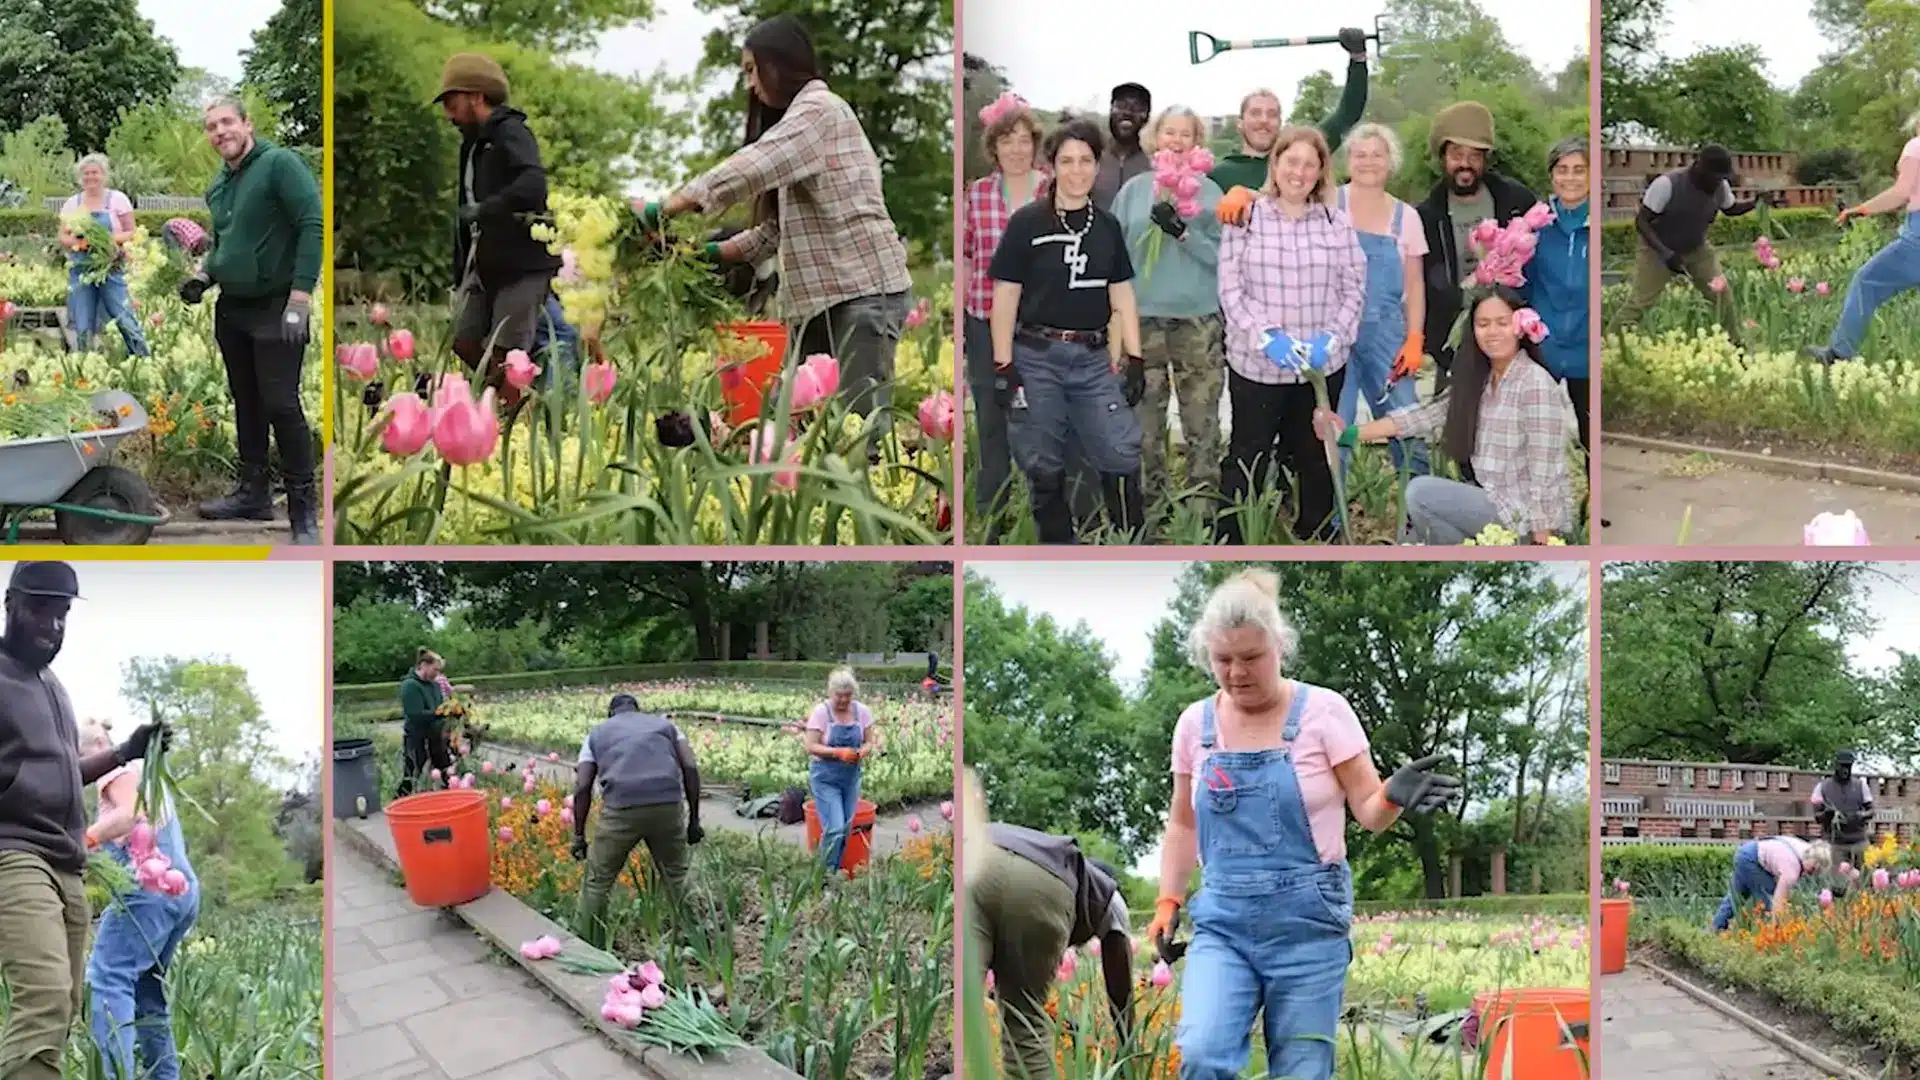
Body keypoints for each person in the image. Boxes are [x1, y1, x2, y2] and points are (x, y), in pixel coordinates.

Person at [1144, 569, 1460, 1080]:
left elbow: (1369, 812)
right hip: (1223, 924)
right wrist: (1167, 900)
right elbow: (1183, 823)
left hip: (1308, 927)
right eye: (1222, 660)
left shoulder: (1325, 712)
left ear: (1279, 647)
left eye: (1250, 658)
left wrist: (1393, 796)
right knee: (1202, 1053)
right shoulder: (1193, 726)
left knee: (1303, 1070)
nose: (1236, 673)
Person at [644, 15, 913, 429]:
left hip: (862, 292)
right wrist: (703, 254)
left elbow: (755, 163)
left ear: (779, 64)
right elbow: (775, 233)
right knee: (801, 425)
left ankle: (867, 490)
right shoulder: (799, 125)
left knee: (859, 431)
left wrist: (669, 206)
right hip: (820, 301)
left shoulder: (819, 111)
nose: (749, 84)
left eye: (752, 70)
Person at [0, 561, 170, 1080]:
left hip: (66, 860)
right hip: (14, 853)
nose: (53, 627)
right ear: (11, 606)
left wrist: (127, 751)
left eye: (62, 616)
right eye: (40, 611)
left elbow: (63, 771)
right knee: (46, 997)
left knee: (66, 1003)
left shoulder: (52, 685)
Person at [990, 118, 1147, 543]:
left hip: (1092, 359)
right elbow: (1004, 298)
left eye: (1086, 161)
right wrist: (1003, 366)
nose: (1077, 170)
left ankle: (1129, 542)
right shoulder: (1027, 223)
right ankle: (1058, 546)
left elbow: (1122, 296)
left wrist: (1135, 357)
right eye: (1067, 161)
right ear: (1053, 166)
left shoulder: (1108, 227)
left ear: (1098, 166)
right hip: (1036, 356)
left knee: (1120, 449)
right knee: (1042, 460)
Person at [179, 99, 323, 545]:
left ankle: (303, 514)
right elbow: (225, 244)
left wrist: (300, 297)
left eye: (227, 122)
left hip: (277, 307)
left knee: (281, 403)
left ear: (247, 124)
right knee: (247, 401)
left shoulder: (280, 164)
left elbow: (312, 225)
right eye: (211, 127)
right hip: (234, 310)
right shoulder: (219, 186)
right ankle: (252, 494)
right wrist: (204, 277)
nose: (220, 131)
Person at [1325, 287, 1574, 545]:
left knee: (1420, 492)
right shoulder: (1479, 381)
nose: (1492, 332)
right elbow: (1419, 418)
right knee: (1411, 533)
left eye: (1502, 323)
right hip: (1494, 505)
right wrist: (1350, 433)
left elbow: (1545, 468)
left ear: (1520, 327)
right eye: (1483, 324)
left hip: (1524, 519)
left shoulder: (1535, 383)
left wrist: (1542, 541)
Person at [1215, 126, 1366, 544]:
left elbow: (1354, 288)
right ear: (1275, 164)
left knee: (1316, 454)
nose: (1298, 172)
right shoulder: (1246, 218)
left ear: (1321, 172)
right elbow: (1230, 289)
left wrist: (1331, 339)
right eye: (1291, 161)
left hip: (1319, 368)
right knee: (1249, 453)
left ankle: (1315, 534)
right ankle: (1231, 537)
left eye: (1309, 164)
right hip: (1259, 365)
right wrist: (1267, 337)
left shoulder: (1337, 222)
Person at [1111, 107, 1226, 509]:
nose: (1176, 141)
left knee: (1202, 422)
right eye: (1169, 133)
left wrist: (1182, 233)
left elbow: (1226, 259)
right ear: (1155, 138)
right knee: (1144, 423)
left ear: (1197, 143)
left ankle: (1202, 510)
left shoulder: (1210, 192)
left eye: (1186, 134)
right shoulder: (1135, 192)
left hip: (1197, 320)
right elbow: (1115, 258)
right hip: (1142, 322)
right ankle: (1151, 509)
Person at [433, 53, 562, 409]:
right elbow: (466, 207)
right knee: (463, 341)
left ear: (476, 96)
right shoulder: (471, 144)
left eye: (452, 102)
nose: (449, 114)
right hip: (482, 262)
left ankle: (512, 418)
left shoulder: (511, 132)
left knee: (507, 353)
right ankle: (521, 403)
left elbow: (534, 183)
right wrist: (459, 272)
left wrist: (488, 209)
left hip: (522, 262)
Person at [79, 719, 199, 1080]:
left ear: (98, 742)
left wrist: (84, 839)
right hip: (181, 892)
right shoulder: (148, 775)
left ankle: (111, 1075)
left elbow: (132, 814)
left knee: (106, 978)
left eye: (76, 752)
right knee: (147, 992)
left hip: (147, 893)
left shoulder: (115, 769)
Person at [970, 823, 1133, 1079]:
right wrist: (1126, 1049)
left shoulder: (1050, 853)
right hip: (1040, 884)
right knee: (1024, 1024)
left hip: (977, 853)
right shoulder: (1110, 896)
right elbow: (1121, 988)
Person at [965, 93, 1048, 540]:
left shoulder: (1053, 191)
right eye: (1006, 140)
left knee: (1043, 424)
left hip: (1041, 326)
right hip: (983, 319)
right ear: (993, 147)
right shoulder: (975, 196)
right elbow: (965, 256)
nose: (1016, 149)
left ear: (1034, 145)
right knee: (991, 422)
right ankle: (991, 521)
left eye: (1023, 140)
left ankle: (1046, 520)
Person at [1414, 102, 1538, 394]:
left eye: (1474, 156)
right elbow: (1422, 284)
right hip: (1454, 344)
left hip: (1512, 339)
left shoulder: (1515, 200)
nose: (1465, 164)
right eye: (1457, 155)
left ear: (1486, 160)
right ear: (1443, 157)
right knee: (1456, 423)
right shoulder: (1426, 216)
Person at [1330, 123, 1429, 478]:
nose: (1368, 162)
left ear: (1391, 162)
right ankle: (1332, 521)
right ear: (1348, 161)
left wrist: (1414, 338)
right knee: (1331, 428)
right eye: (1360, 154)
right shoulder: (1328, 202)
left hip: (1386, 335)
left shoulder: (1407, 217)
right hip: (1332, 334)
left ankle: (1417, 512)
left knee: (1406, 422)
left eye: (1377, 154)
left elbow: (1415, 285)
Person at [573, 694, 704, 947]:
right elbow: (690, 767)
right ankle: (694, 938)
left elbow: (582, 787)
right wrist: (694, 820)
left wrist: (579, 836)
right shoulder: (666, 727)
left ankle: (587, 943)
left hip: (621, 808)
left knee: (598, 882)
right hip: (667, 805)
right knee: (676, 874)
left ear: (611, 713)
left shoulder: (596, 734)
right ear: (637, 709)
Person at [1605, 144, 1757, 347]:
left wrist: (1755, 202)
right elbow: (1642, 222)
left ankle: (1736, 346)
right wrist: (1666, 254)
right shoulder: (1667, 184)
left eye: (1722, 177)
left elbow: (1730, 208)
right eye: (1715, 176)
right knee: (1640, 303)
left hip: (1697, 249)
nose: (1718, 181)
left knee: (1722, 297)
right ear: (1699, 168)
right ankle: (1604, 346)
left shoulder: (1720, 186)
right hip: (1657, 250)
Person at [1805, 114, 1920, 364]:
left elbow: (1900, 193)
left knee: (1865, 282)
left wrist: (1862, 209)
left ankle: (1839, 354)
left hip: (1917, 242)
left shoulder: (1916, 147)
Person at [1209, 28, 1372, 197]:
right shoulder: (1218, 176)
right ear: (1240, 123)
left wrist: (1358, 58)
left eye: (1272, 114)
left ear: (1280, 122)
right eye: (1255, 113)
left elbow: (1348, 113)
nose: (1264, 120)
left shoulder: (1302, 152)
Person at [1530, 137, 1592, 453]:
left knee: (1591, 439)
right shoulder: (1535, 223)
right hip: (1544, 349)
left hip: (1588, 352)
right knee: (1536, 438)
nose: (1570, 178)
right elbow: (1520, 281)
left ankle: (1592, 500)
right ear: (1552, 175)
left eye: (1580, 170)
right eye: (1563, 170)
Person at [59, 155, 150, 358]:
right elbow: (63, 236)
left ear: (104, 175)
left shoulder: (117, 199)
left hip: (111, 267)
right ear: (80, 177)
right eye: (86, 173)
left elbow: (131, 231)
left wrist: (110, 239)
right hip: (81, 269)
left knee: (123, 315)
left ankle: (143, 359)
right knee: (82, 322)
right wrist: (78, 243)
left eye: (95, 172)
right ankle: (85, 366)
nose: (91, 177)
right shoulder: (72, 203)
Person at [805, 668, 882, 876]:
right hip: (825, 777)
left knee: (846, 828)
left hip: (850, 778)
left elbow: (869, 741)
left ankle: (834, 869)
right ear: (831, 693)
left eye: (847, 696)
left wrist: (862, 752)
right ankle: (824, 874)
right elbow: (811, 746)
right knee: (834, 828)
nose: (843, 701)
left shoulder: (861, 712)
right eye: (839, 696)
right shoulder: (822, 713)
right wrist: (838, 752)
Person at [1712, 836, 1832, 931]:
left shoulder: (1807, 849)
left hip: (1745, 851)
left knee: (1735, 897)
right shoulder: (1791, 870)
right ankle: (1768, 936)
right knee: (1767, 899)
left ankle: (1714, 930)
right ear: (1813, 860)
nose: (1813, 873)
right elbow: (1777, 902)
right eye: (1814, 868)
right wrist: (1778, 930)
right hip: (1752, 860)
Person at [396, 648, 451, 797]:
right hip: (416, 737)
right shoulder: (410, 685)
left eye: (439, 671)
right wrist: (438, 713)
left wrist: (450, 712)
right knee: (412, 775)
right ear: (423, 665)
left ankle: (452, 800)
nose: (437, 674)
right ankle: (400, 803)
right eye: (435, 669)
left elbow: (440, 706)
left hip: (436, 737)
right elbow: (415, 714)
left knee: (447, 772)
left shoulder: (435, 685)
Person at [1812, 749, 1875, 873]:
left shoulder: (1861, 786)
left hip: (1859, 842)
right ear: (1836, 765)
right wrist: (1826, 815)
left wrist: (1860, 816)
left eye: (1848, 766)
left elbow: (1871, 811)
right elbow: (1817, 816)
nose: (1845, 770)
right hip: (1834, 844)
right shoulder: (1823, 787)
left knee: (1865, 881)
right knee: (1837, 883)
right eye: (1842, 766)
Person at [1093, 82, 1153, 211]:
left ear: (1147, 117)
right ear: (1110, 111)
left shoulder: (1155, 165)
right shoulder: (1090, 156)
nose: (1127, 112)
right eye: (1121, 106)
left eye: (1137, 108)